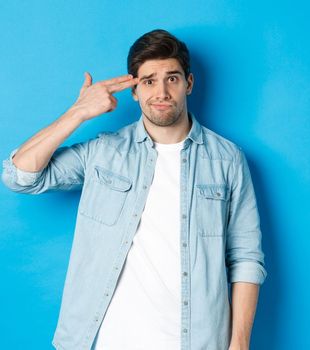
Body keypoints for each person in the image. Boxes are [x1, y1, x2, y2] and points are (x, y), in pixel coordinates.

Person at [1, 29, 267, 350]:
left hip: (197, 341)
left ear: (189, 84)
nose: (162, 92)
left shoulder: (228, 159)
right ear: (135, 91)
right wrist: (79, 112)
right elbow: (19, 175)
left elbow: (246, 258)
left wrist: (239, 345)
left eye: (172, 78)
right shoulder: (104, 152)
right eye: (149, 81)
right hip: (109, 340)